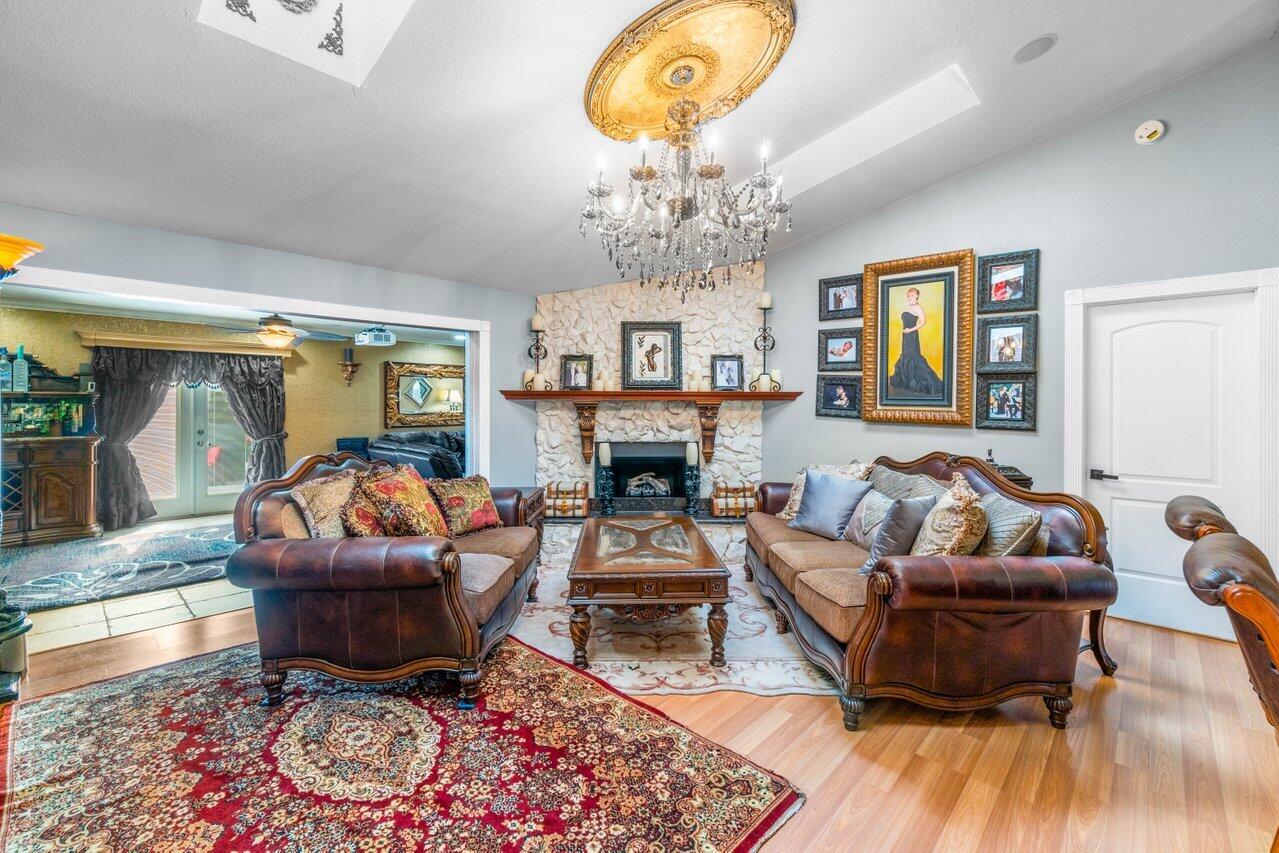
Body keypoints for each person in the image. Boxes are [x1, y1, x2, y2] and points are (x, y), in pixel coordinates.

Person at [889, 287, 944, 396]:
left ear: (917, 296)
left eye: (912, 295)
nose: (910, 297)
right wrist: (907, 331)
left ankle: (921, 385)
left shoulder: (918, 307)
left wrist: (910, 330)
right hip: (905, 336)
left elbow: (923, 322)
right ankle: (908, 383)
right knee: (906, 356)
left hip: (912, 336)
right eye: (909, 296)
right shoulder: (908, 307)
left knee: (913, 357)